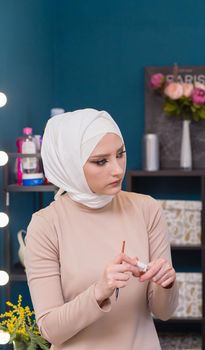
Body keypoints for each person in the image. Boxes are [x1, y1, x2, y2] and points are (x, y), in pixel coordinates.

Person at [24, 108, 178, 350]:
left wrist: (167, 283)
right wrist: (99, 291)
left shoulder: (146, 208)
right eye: (101, 161)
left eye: (120, 154)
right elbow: (50, 330)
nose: (117, 169)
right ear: (70, 164)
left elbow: (164, 312)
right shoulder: (46, 224)